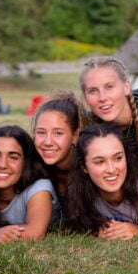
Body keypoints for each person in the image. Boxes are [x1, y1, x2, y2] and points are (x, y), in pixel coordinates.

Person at [65, 124, 138, 240]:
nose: (111, 169)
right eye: (100, 162)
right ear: (84, 167)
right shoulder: (80, 194)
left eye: (118, 158)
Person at [30, 91, 88, 222]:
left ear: (75, 136)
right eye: (41, 132)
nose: (48, 142)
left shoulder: (89, 168)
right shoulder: (32, 167)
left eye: (58, 133)